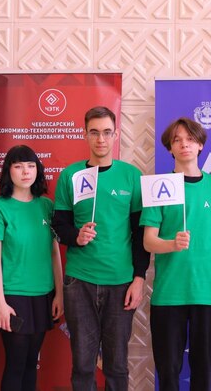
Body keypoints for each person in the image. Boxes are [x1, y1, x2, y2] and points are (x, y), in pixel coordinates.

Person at [52, 106, 150, 390]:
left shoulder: (131, 176)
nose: (101, 139)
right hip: (79, 281)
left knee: (116, 365)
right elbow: (59, 226)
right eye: (94, 132)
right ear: (85, 135)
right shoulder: (71, 175)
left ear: (116, 134)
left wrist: (139, 278)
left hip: (121, 282)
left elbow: (140, 233)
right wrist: (76, 236)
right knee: (83, 364)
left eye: (107, 132)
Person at [141, 117, 211, 391]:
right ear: (170, 148)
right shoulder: (159, 186)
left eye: (190, 139)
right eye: (177, 140)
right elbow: (148, 241)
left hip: (208, 292)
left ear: (200, 144)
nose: (184, 144)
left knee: (203, 372)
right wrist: (172, 245)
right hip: (169, 293)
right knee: (168, 372)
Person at [0, 145, 63, 391]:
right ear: (9, 171)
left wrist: (59, 294)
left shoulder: (46, 206)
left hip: (42, 294)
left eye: (30, 166)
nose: (25, 171)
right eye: (18, 166)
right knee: (15, 364)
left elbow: (54, 252)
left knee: (30, 364)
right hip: (12, 296)